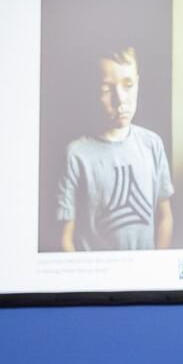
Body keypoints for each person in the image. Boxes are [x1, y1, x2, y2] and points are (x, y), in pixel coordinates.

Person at [57, 46, 174, 251]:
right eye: (106, 89)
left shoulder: (152, 144)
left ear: (138, 82)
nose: (120, 99)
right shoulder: (76, 155)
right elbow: (65, 238)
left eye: (128, 85)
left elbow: (165, 218)